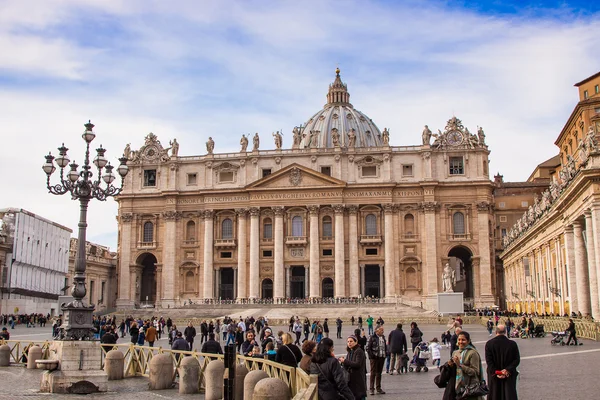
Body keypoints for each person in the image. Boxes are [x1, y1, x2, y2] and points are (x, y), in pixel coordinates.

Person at [485, 325, 520, 400]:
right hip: (508, 375)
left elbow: (489, 361)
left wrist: (497, 372)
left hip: (494, 375)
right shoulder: (512, 344)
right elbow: (516, 360)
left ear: (496, 332)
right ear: (505, 332)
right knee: (509, 395)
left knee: (495, 395)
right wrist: (507, 370)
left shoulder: (489, 344)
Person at [449, 331, 485, 400]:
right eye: (459, 339)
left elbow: (475, 372)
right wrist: (450, 365)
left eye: (463, 340)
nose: (460, 342)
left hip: (471, 388)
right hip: (458, 387)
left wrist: (460, 365)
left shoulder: (472, 353)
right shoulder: (455, 353)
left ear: (468, 341)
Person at [340, 335, 367, 400]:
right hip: (351, 380)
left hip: (358, 379)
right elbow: (348, 364)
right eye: (348, 341)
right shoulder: (350, 351)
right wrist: (343, 362)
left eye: (351, 341)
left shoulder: (359, 351)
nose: (349, 343)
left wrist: (345, 361)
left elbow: (357, 364)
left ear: (356, 342)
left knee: (359, 396)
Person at [366, 326, 387, 395]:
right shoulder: (372, 337)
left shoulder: (383, 337)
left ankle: (378, 388)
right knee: (373, 373)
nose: (383, 331)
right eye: (381, 330)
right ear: (377, 331)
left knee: (379, 373)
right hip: (374, 358)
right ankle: (371, 389)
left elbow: (385, 346)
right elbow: (368, 348)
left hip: (382, 357)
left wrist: (386, 353)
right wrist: (372, 356)